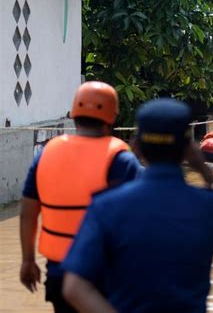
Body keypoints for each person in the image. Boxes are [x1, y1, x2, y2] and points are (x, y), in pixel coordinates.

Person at [61, 98, 213, 313]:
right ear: (189, 149)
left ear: (136, 146)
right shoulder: (211, 205)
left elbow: (74, 288)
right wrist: (205, 172)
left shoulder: (106, 206)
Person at [19, 81, 143, 313]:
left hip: (59, 276)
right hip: (105, 278)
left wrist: (27, 260)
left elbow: (27, 213)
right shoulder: (121, 159)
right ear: (112, 117)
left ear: (74, 114)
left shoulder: (46, 153)